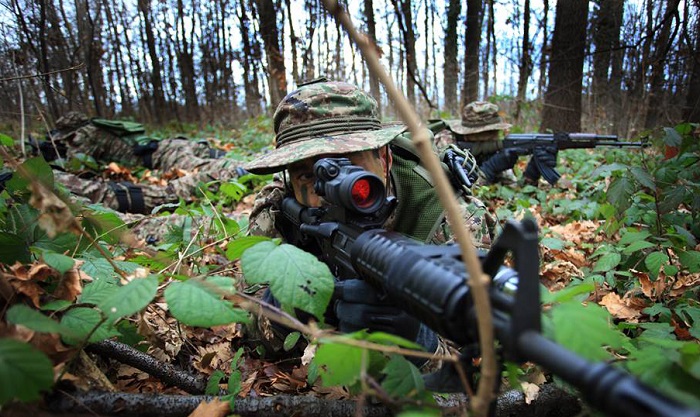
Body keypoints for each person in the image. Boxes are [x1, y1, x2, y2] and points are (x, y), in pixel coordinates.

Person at [242, 78, 494, 370]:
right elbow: (248, 333)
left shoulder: (447, 215)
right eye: (307, 175)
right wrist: (286, 307)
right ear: (288, 178)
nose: (325, 193)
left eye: (349, 166)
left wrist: (421, 344)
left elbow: (487, 366)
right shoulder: (277, 209)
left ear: (384, 159)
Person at [40, 112, 246, 213]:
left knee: (201, 166)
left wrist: (56, 152)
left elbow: (80, 161)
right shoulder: (97, 127)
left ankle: (246, 169)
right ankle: (240, 162)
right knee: (208, 156)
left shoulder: (87, 134)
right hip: (169, 146)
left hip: (163, 155)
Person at [436, 101, 556, 186]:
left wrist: (533, 172)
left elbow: (512, 189)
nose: (495, 136)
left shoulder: (491, 150)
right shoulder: (445, 142)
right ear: (470, 133)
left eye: (495, 131)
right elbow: (456, 193)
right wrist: (488, 170)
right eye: (489, 132)